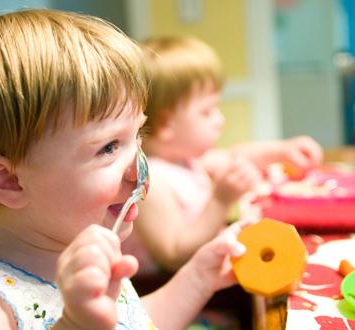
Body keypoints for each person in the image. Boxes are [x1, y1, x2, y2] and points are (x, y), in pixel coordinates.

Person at [0, 10, 249, 330]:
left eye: (138, 137)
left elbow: (135, 323)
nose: (140, 171)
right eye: (108, 148)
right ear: (9, 181)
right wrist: (75, 325)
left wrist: (199, 277)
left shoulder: (88, 249)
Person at [122, 36, 323, 272]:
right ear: (166, 124)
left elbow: (234, 157)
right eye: (207, 112)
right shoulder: (148, 181)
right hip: (181, 296)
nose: (220, 119)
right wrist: (220, 201)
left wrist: (282, 150)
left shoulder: (186, 160)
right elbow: (174, 254)